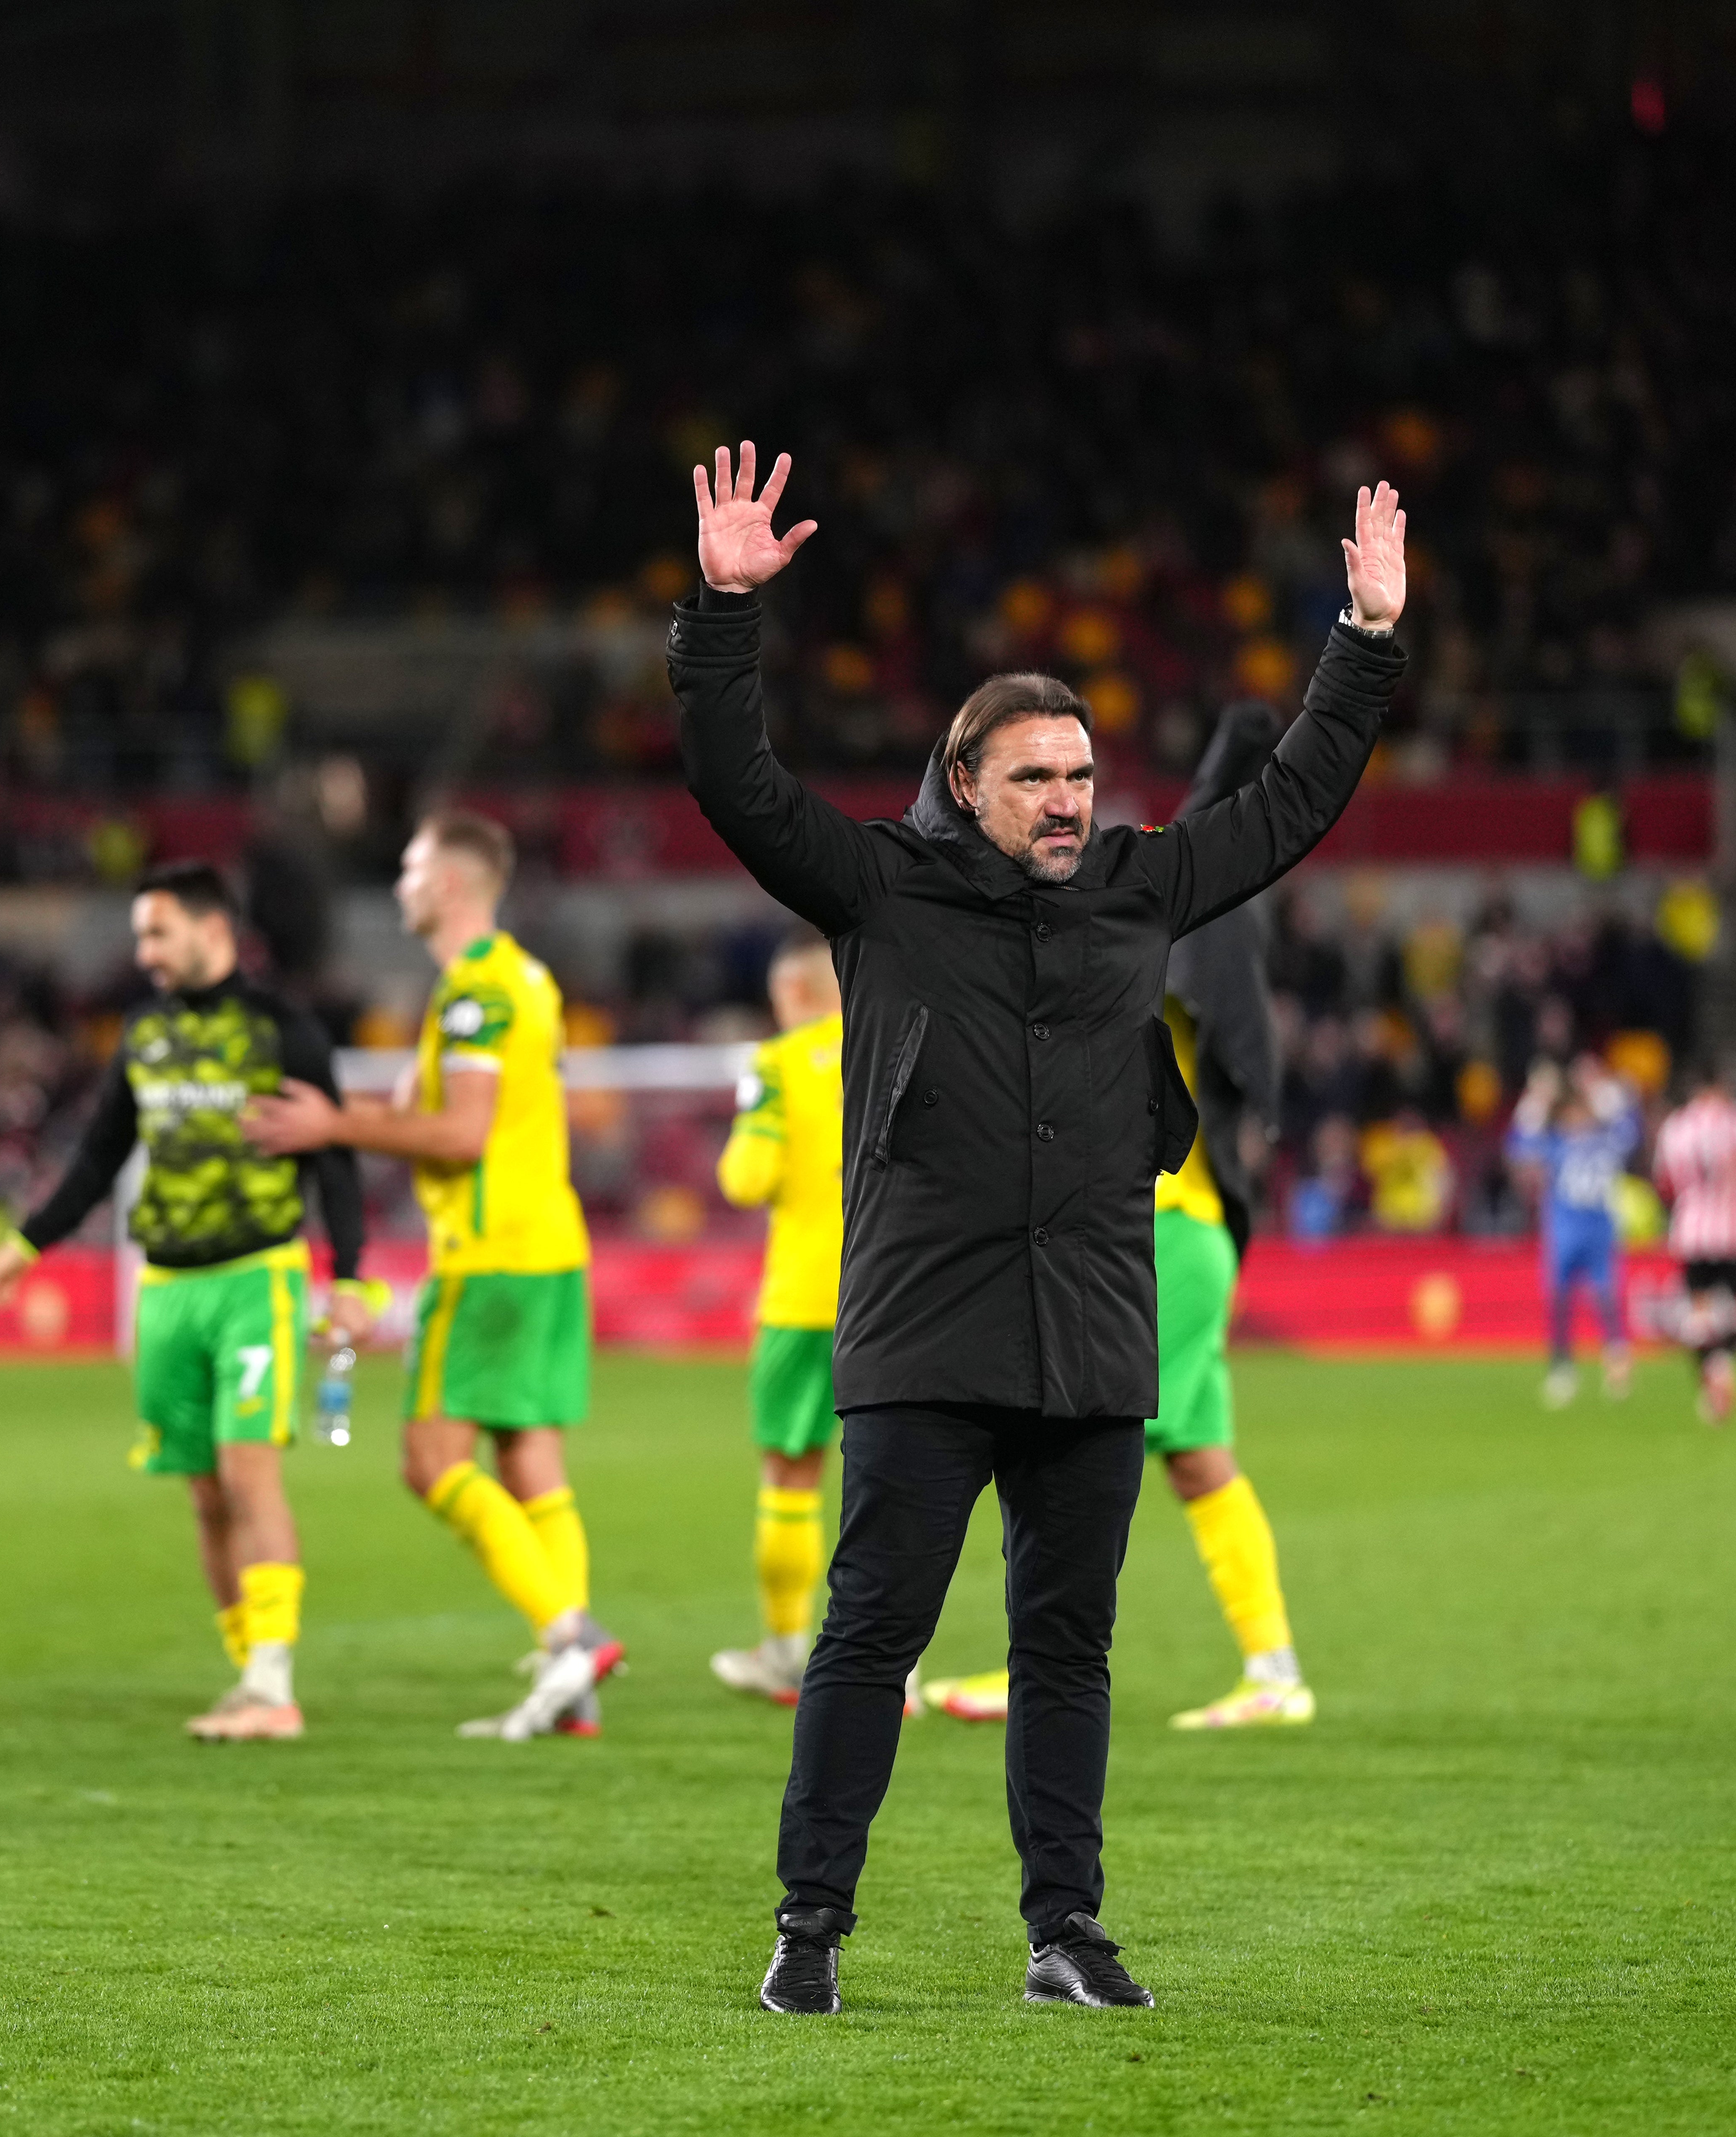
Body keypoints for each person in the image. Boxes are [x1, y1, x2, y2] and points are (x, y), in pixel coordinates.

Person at [673, 441, 1407, 2016]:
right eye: (1038, 779)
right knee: (867, 1637)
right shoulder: (877, 889)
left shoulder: (1136, 889)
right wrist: (721, 614)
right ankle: (809, 1925)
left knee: (1068, 1651)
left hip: (1087, 1328)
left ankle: (1063, 1929)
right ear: (962, 783)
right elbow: (736, 779)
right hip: (923, 1331)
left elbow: (1287, 808)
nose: (1071, 802)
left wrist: (1361, 644)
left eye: (1082, 776)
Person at [921, 704, 1318, 1734]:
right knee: (1197, 1459)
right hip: (1192, 1232)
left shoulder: (1163, 950)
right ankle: (1274, 1673)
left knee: (1068, 1445)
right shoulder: (1206, 956)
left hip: (1158, 1232)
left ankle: (1034, 1665)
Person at [245, 813, 619, 1742]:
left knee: (429, 1461)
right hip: (546, 1247)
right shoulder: (513, 979)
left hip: (489, 1255)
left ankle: (568, 1634)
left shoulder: (476, 993)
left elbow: (459, 1133)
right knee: (530, 1457)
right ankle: (570, 1686)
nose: (400, 881)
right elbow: (422, 1111)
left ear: (450, 882)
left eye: (410, 866)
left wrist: (330, 1128)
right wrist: (338, 1118)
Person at [0, 861, 372, 1742]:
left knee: (246, 1471)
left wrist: (346, 1274)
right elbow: (98, 1154)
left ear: (210, 929)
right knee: (202, 1491)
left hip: (257, 1277)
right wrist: (26, 1242)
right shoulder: (144, 1031)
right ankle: (248, 1670)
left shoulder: (283, 1029)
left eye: (157, 932)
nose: (143, 951)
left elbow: (335, 1158)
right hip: (163, 1286)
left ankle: (274, 1684)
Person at [707, 933, 852, 1705]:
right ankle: (891, 1661)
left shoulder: (775, 1064)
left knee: (789, 1477)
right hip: (894, 1298)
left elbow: (745, 1177)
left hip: (802, 1299)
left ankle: (787, 1649)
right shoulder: (894, 1044)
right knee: (892, 1480)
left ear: (794, 994)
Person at [1506, 1058, 1640, 1408]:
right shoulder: (1558, 1144)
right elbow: (1519, 1146)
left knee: (1606, 1299)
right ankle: (1562, 1366)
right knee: (1560, 1300)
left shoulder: (1604, 1141)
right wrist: (1536, 1100)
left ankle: (1616, 1362)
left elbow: (1631, 1128)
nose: (1576, 1120)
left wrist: (1604, 1089)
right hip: (1565, 1232)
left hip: (1597, 1230)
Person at [1652, 1060, 1736, 1425]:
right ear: (1723, 1086)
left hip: (1692, 1231)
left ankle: (1711, 1382)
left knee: (1700, 1314)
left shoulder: (1676, 1127)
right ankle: (1723, 1369)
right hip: (1734, 1230)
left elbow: (1666, 1184)